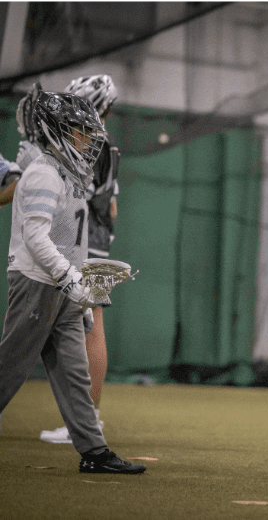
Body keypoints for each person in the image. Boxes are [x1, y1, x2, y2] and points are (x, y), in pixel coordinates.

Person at [0, 90, 145, 474]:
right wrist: (68, 280)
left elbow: (73, 242)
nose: (88, 138)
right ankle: (94, 450)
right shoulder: (45, 173)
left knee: (75, 374)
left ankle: (94, 451)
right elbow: (36, 236)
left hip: (63, 288)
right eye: (81, 130)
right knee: (10, 368)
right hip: (37, 283)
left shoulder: (71, 174)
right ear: (58, 130)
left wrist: (77, 292)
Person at [39, 75, 120, 444]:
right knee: (88, 326)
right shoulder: (108, 145)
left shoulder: (93, 142)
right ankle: (88, 421)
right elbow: (112, 205)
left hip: (88, 246)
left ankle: (87, 422)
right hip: (96, 242)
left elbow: (74, 194)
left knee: (88, 328)